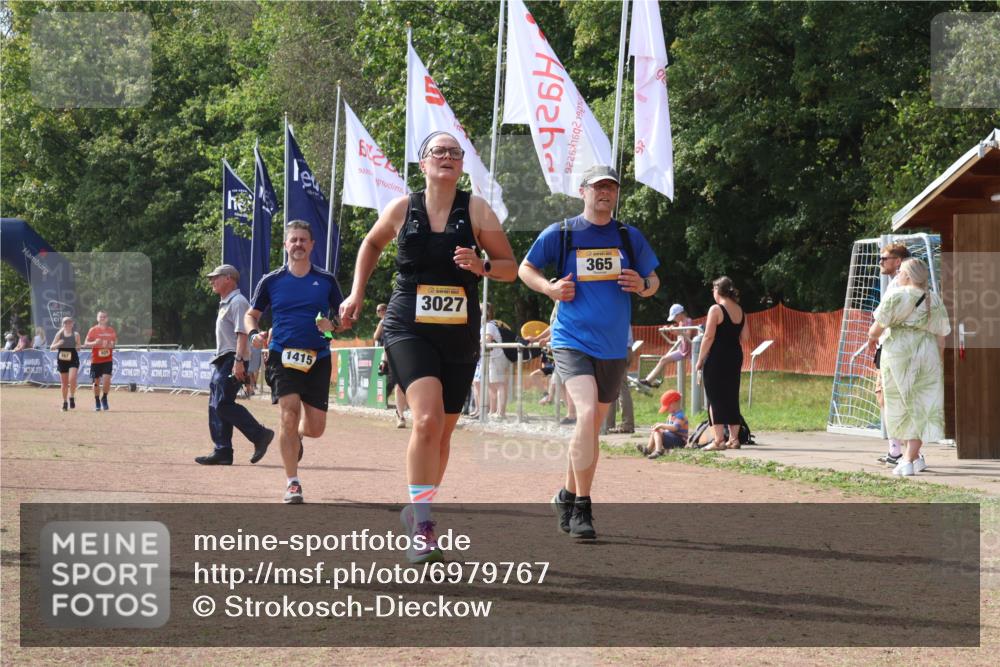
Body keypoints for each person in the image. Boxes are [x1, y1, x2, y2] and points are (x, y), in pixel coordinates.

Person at [339, 131, 516, 563]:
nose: (448, 158)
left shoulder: (475, 209)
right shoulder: (403, 207)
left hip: (458, 330)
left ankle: (416, 507)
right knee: (425, 420)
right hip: (407, 325)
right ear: (423, 163)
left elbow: (510, 267)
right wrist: (357, 293)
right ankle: (422, 524)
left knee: (443, 433)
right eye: (439, 152)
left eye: (455, 154)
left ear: (461, 165)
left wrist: (483, 265)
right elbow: (372, 242)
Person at [519, 164, 660, 540]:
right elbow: (526, 268)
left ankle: (565, 495)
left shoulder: (629, 237)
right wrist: (549, 289)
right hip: (571, 339)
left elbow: (654, 280)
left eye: (611, 188)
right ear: (583, 191)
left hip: (613, 346)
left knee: (591, 427)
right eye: (598, 187)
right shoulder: (563, 233)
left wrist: (643, 284)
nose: (605, 193)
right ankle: (582, 506)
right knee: (584, 415)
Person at [245, 221, 346, 503]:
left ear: (312, 245)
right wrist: (254, 334)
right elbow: (251, 315)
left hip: (318, 357)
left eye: (304, 239)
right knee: (288, 414)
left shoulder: (326, 281)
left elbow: (343, 319)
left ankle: (297, 436)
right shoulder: (271, 280)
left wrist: (333, 324)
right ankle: (292, 482)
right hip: (281, 354)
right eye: (294, 240)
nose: (299, 244)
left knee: (315, 428)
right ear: (285, 246)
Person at [867, 258, 949, 476]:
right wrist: (937, 362)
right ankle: (912, 457)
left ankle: (907, 458)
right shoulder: (935, 300)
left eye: (901, 271)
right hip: (928, 355)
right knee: (921, 406)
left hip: (898, 356)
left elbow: (875, 330)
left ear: (909, 275)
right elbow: (942, 340)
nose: (898, 275)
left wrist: (871, 339)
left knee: (900, 407)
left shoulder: (896, 296)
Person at [195, 264, 275, 466]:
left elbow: (243, 334)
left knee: (222, 404)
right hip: (224, 358)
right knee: (216, 404)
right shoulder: (226, 302)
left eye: (216, 277)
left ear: (229, 278)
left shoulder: (238, 302)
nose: (212, 281)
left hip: (233, 357)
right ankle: (222, 450)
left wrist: (239, 361)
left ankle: (259, 434)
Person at [695, 277, 750, 450]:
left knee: (715, 397)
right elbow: (746, 337)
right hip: (735, 355)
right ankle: (734, 439)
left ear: (717, 290)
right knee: (731, 396)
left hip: (717, 356)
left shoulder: (715, 309)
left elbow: (708, 336)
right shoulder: (740, 310)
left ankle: (718, 440)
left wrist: (700, 359)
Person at [872, 242, 911, 466]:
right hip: (890, 346)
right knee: (885, 397)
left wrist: (873, 334)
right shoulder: (899, 284)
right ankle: (897, 451)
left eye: (884, 258)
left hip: (893, 347)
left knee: (893, 398)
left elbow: (882, 319)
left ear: (897, 261)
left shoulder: (899, 285)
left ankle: (907, 452)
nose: (880, 262)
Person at [639, 303, 695, 387]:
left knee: (697, 371)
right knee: (663, 359)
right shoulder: (680, 323)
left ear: (680, 314)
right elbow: (681, 338)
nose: (674, 320)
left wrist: (677, 331)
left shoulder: (688, 321)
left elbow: (688, 335)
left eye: (675, 317)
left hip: (691, 352)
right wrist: (670, 330)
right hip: (683, 350)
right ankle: (649, 380)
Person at [374, 302, 408, 428]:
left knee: (409, 387)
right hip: (395, 357)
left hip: (411, 357)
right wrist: (384, 360)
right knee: (398, 386)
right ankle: (400, 416)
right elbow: (386, 344)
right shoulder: (387, 324)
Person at [637, 389, 689, 459]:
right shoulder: (671, 415)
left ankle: (658, 451)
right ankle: (648, 449)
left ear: (673, 404)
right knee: (655, 431)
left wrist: (661, 425)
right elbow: (668, 430)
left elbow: (675, 428)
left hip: (679, 441)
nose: (667, 410)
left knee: (658, 431)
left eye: (667, 408)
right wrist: (660, 427)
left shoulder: (680, 416)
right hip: (672, 438)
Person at [85, 310, 117, 411]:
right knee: (96, 383)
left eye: (104, 317)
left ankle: (104, 397)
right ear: (97, 318)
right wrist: (95, 342)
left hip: (107, 360)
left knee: (107, 380)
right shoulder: (93, 330)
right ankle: (97, 401)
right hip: (95, 361)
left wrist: (109, 345)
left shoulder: (111, 330)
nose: (102, 318)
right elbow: (86, 343)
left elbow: (113, 345)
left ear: (107, 319)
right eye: (100, 317)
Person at [50, 316, 80, 411]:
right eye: (65, 323)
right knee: (64, 384)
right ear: (63, 325)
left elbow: (78, 346)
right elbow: (51, 347)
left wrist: (78, 347)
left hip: (73, 359)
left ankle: (71, 396)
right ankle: (65, 402)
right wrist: (59, 344)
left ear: (72, 324)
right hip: (62, 360)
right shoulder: (59, 334)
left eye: (69, 323)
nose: (68, 325)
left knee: (72, 379)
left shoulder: (76, 334)